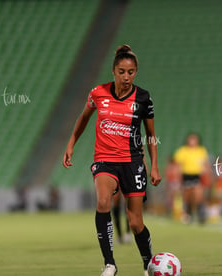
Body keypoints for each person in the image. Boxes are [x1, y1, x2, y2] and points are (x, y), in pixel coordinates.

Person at [63, 45, 161, 276]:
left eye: (131, 72)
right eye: (121, 71)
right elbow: (83, 118)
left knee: (136, 222)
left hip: (133, 161)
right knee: (103, 202)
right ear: (113, 71)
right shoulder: (97, 93)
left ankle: (148, 264)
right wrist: (71, 143)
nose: (126, 77)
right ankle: (110, 264)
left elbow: (151, 135)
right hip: (105, 160)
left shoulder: (144, 98)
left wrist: (154, 165)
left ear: (136, 72)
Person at [173, 133, 209, 224]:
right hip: (186, 176)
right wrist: (178, 180)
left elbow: (205, 164)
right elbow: (178, 166)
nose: (192, 142)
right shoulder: (182, 151)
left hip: (197, 176)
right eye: (191, 139)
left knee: (198, 195)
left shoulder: (201, 151)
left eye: (194, 139)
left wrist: (206, 173)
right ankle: (189, 213)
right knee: (187, 197)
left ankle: (201, 214)